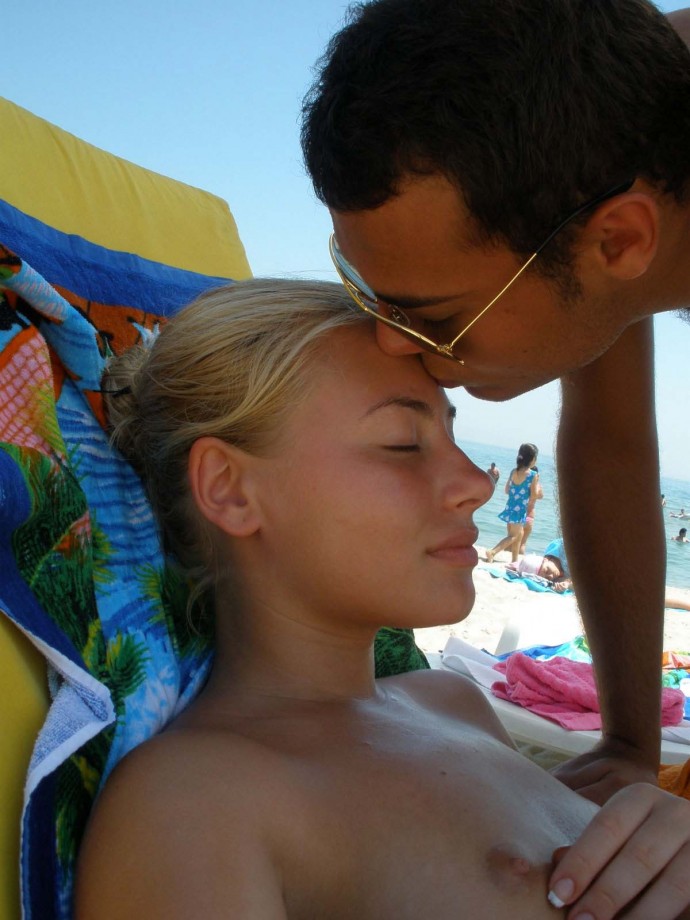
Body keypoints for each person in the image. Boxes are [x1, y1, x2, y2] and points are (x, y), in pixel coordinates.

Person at [75, 279, 690, 920]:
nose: (477, 484)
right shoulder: (194, 801)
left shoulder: (454, 703)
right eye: (403, 443)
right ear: (229, 489)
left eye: (453, 437)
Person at [301, 0, 690, 804]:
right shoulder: (609, 122)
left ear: (620, 241)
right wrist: (628, 744)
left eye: (431, 315)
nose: (392, 345)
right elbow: (611, 444)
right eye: (371, 297)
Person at [485, 443, 539, 563]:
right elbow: (534, 495)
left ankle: (514, 561)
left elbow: (507, 490)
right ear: (532, 459)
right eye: (535, 458)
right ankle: (492, 552)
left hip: (510, 507)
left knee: (518, 535)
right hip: (520, 510)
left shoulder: (513, 471)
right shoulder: (533, 475)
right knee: (513, 536)